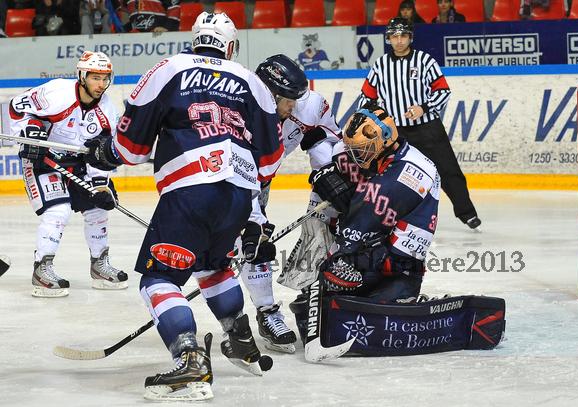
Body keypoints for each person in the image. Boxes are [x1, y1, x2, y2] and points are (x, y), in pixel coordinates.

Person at [82, 12, 284, 401]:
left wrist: (107, 151)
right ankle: (239, 335)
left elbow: (130, 146)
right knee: (213, 265)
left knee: (158, 281)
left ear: (196, 40)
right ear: (229, 46)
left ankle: (189, 359)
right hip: (240, 195)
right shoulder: (253, 83)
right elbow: (271, 161)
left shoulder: (169, 67)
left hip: (191, 191)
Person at [290, 103, 440, 341]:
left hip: (395, 262)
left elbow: (367, 222)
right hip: (357, 250)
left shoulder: (412, 173)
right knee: (313, 297)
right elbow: (328, 204)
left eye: (360, 150)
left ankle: (403, 295)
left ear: (384, 143)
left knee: (371, 292)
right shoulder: (351, 151)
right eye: (351, 148)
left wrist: (341, 261)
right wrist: (325, 174)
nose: (352, 155)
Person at [239, 54, 341, 354]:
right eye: (287, 100)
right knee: (247, 242)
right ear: (268, 95)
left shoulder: (308, 103)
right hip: (229, 182)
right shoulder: (239, 113)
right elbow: (242, 181)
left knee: (256, 244)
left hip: (262, 179)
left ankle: (281, 306)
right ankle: (257, 311)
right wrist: (254, 221)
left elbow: (326, 136)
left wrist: (324, 170)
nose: (294, 106)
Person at [9, 51, 127, 298]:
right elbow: (15, 108)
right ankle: (42, 269)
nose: (101, 84)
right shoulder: (56, 94)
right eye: (95, 78)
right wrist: (31, 129)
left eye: (105, 78)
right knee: (58, 211)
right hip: (42, 161)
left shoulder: (107, 110)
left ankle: (99, 265)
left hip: (78, 164)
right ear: (82, 76)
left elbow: (101, 154)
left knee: (99, 208)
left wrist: (100, 186)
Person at [358, 17, 481, 230]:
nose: (399, 40)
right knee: (390, 175)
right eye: (394, 36)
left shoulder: (425, 61)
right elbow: (366, 98)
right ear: (388, 39)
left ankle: (466, 213)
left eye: (403, 35)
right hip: (395, 133)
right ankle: (391, 215)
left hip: (428, 128)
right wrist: (376, 119)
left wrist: (423, 107)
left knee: (449, 170)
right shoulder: (380, 65)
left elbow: (443, 91)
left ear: (410, 37)